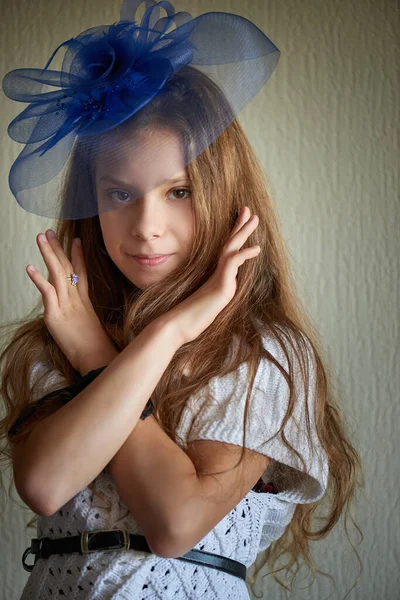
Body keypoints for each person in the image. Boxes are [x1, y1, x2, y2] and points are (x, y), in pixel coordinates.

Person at [0, 1, 363, 599]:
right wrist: (106, 341)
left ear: (223, 195)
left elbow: (175, 522)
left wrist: (115, 347)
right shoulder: (50, 342)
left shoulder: (261, 352)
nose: (146, 226)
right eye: (120, 193)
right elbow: (44, 485)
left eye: (179, 191)